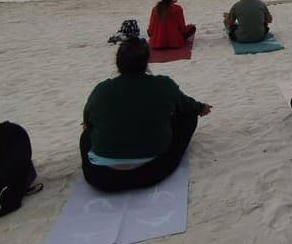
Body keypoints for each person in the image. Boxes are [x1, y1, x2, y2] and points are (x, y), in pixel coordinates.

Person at [80, 38, 212, 192]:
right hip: (151, 172)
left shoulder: (101, 90)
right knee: (188, 116)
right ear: (146, 62)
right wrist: (201, 108)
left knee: (86, 135)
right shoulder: (163, 85)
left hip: (100, 177)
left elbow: (87, 122)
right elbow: (188, 106)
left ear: (118, 63)